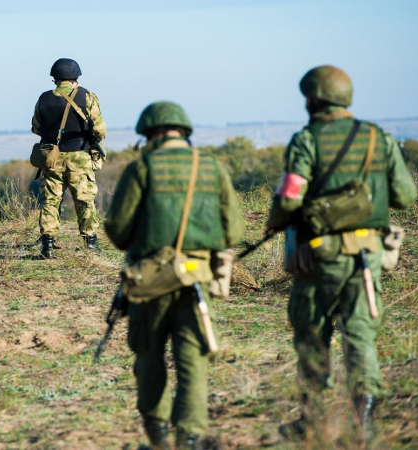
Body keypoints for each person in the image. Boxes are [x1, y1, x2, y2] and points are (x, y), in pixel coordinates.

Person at [266, 65, 417, 444]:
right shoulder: (378, 138)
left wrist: (275, 222)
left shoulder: (306, 140)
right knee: (361, 338)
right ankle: (364, 422)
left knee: (313, 336)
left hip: (319, 256)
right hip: (368, 257)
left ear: (314, 99)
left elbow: (289, 196)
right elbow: (406, 196)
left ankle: (312, 420)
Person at [105, 102, 244, 449]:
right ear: (184, 131)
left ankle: (159, 439)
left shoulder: (142, 168)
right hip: (197, 282)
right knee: (193, 361)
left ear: (148, 135)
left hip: (149, 281)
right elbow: (235, 231)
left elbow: (118, 231)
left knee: (149, 359)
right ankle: (192, 438)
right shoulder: (211, 167)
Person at [31, 58, 107, 259]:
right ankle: (90, 243)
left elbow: (36, 127)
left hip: (52, 157)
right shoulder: (87, 96)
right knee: (84, 200)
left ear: (54, 78)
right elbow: (100, 130)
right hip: (80, 156)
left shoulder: (44, 98)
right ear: (76, 77)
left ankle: (47, 246)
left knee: (50, 200)